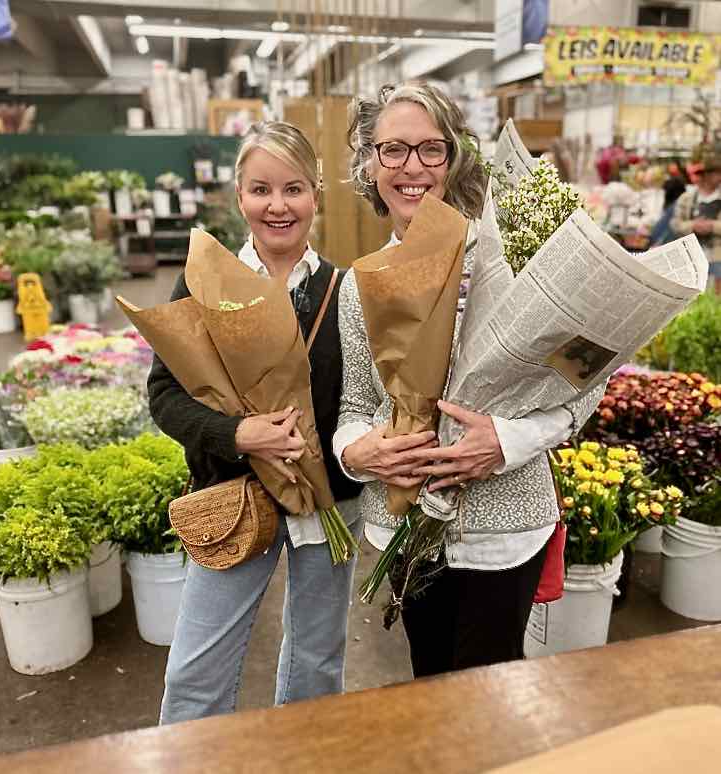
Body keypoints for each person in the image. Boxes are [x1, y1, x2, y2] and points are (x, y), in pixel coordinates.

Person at [334, 82, 605, 679]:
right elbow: (353, 401)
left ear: (455, 157)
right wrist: (359, 451)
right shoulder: (360, 284)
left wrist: (506, 442)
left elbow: (587, 382)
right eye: (393, 150)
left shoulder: (515, 259)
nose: (413, 168)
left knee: (492, 688)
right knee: (430, 680)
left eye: (432, 149)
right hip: (405, 523)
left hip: (506, 527)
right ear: (370, 165)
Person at [149, 121, 362, 724]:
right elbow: (165, 395)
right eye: (261, 189)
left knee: (318, 662)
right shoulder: (203, 281)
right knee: (198, 669)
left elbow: (361, 397)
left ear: (317, 194)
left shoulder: (342, 291)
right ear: (238, 195)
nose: (278, 205)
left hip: (330, 506)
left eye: (294, 189)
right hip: (232, 498)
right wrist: (239, 436)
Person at [671, 149, 721, 294]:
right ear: (707, 174)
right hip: (692, 258)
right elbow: (675, 224)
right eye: (715, 172)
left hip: (718, 257)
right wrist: (693, 226)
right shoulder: (687, 198)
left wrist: (712, 226)